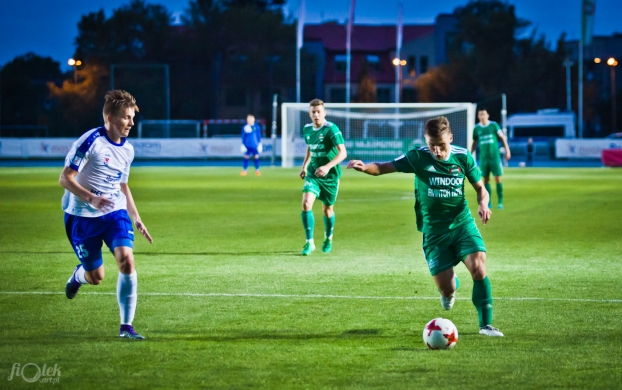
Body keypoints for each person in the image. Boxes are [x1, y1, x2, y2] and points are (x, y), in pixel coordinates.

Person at [347, 116, 503, 337]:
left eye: (441, 145)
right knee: (447, 288)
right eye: (432, 146)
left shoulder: (462, 157)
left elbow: (481, 188)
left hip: (462, 224)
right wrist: (365, 167)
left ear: (450, 137)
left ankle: (486, 325)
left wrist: (483, 203)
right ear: (426, 141)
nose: (437, 151)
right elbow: (383, 167)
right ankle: (449, 289)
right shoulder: (417, 156)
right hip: (434, 233)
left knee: (478, 268)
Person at [60, 90, 153, 340]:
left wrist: (135, 216)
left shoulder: (128, 150)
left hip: (114, 213)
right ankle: (79, 275)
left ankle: (126, 327)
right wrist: (91, 198)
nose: (131, 123)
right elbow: (65, 178)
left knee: (127, 261)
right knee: (96, 277)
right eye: (126, 118)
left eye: (133, 117)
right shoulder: (90, 142)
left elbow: (123, 186)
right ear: (110, 118)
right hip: (81, 217)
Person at [299, 99, 347, 256]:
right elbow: (310, 148)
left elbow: (343, 153)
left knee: (327, 210)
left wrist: (327, 167)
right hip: (313, 174)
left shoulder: (331, 129)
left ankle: (328, 238)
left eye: (319, 111)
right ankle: (309, 243)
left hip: (330, 177)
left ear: (324, 113)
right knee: (306, 204)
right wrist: (304, 166)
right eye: (313, 112)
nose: (316, 114)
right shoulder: (307, 129)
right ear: (309, 114)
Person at [470, 108, 511, 209]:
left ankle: (500, 202)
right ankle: (489, 202)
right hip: (484, 159)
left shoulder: (493, 125)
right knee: (485, 180)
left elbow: (502, 138)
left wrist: (507, 150)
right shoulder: (476, 128)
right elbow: (474, 143)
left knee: (497, 178)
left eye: (484, 114)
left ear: (488, 115)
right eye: (480, 115)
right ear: (478, 116)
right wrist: (469, 155)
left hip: (494, 157)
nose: (482, 116)